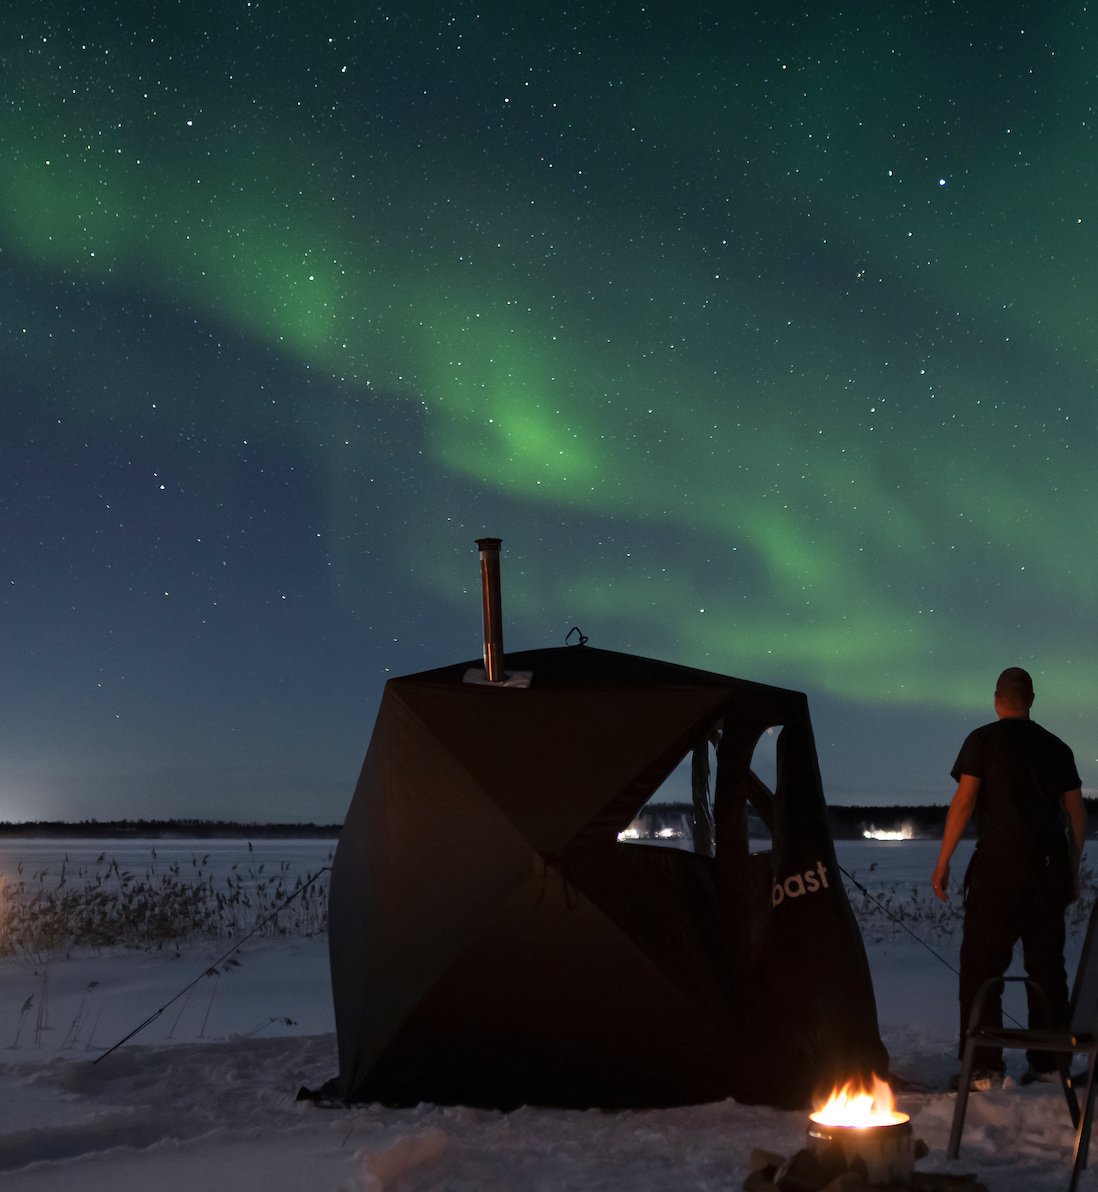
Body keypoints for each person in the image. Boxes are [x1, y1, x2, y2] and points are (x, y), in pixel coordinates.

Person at [931, 667, 1086, 1088]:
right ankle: (1051, 1065)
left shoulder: (982, 741)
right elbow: (1076, 815)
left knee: (982, 968)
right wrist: (1071, 870)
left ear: (997, 699)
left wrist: (943, 861)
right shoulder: (1058, 747)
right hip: (1048, 872)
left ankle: (983, 1069)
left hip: (997, 873)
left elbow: (964, 803)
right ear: (1031, 698)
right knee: (1048, 970)